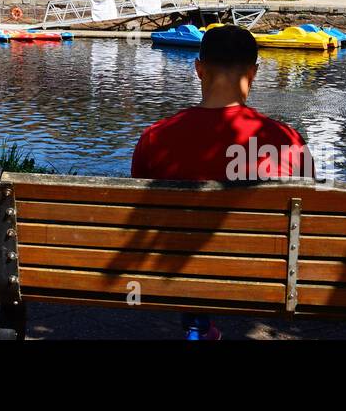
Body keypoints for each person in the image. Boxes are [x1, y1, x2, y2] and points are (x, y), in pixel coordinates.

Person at [131, 25, 311, 341]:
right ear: (254, 72)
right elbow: (311, 214)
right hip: (265, 272)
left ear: (198, 69)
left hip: (175, 268)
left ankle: (196, 325)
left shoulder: (154, 138)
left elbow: (142, 213)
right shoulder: (288, 142)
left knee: (184, 233)